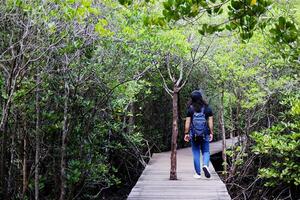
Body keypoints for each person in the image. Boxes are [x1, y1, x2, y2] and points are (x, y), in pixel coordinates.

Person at [183, 90, 214, 179]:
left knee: (196, 152)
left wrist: (186, 133)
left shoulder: (190, 109)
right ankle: (205, 165)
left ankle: (198, 173)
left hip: (194, 134)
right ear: (201, 98)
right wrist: (211, 132)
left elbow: (187, 123)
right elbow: (210, 122)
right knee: (206, 151)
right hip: (205, 134)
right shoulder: (207, 109)